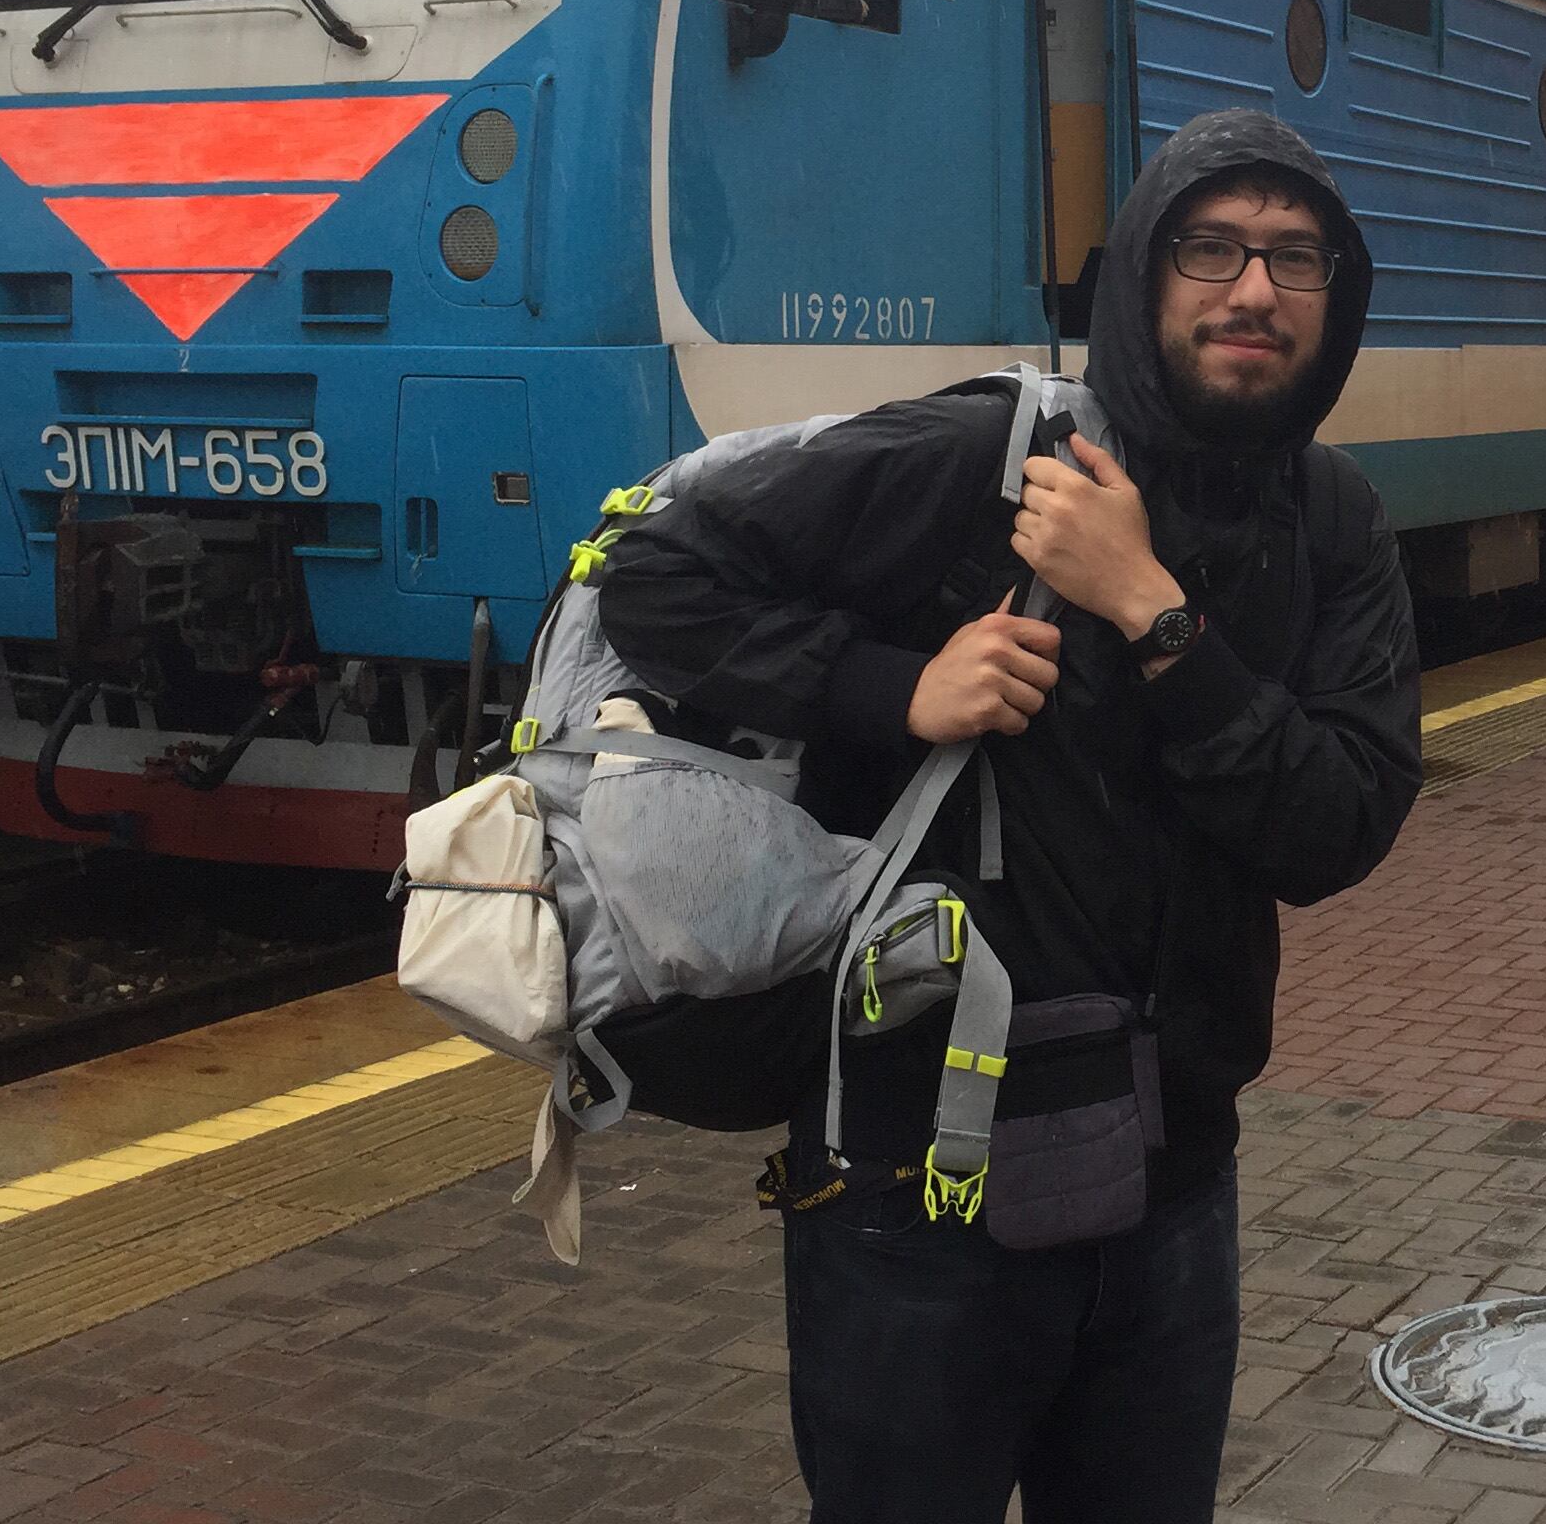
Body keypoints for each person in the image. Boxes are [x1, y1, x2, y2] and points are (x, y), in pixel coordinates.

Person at [597, 109, 1422, 1522]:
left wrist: (1151, 612)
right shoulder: (988, 458)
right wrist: (891, 689)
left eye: (1296, 259)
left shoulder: (1333, 522)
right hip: (917, 1203)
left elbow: (1336, 823)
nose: (1253, 291)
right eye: (1211, 249)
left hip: (1173, 1194)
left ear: (1334, 304)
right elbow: (652, 570)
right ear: (1143, 281)